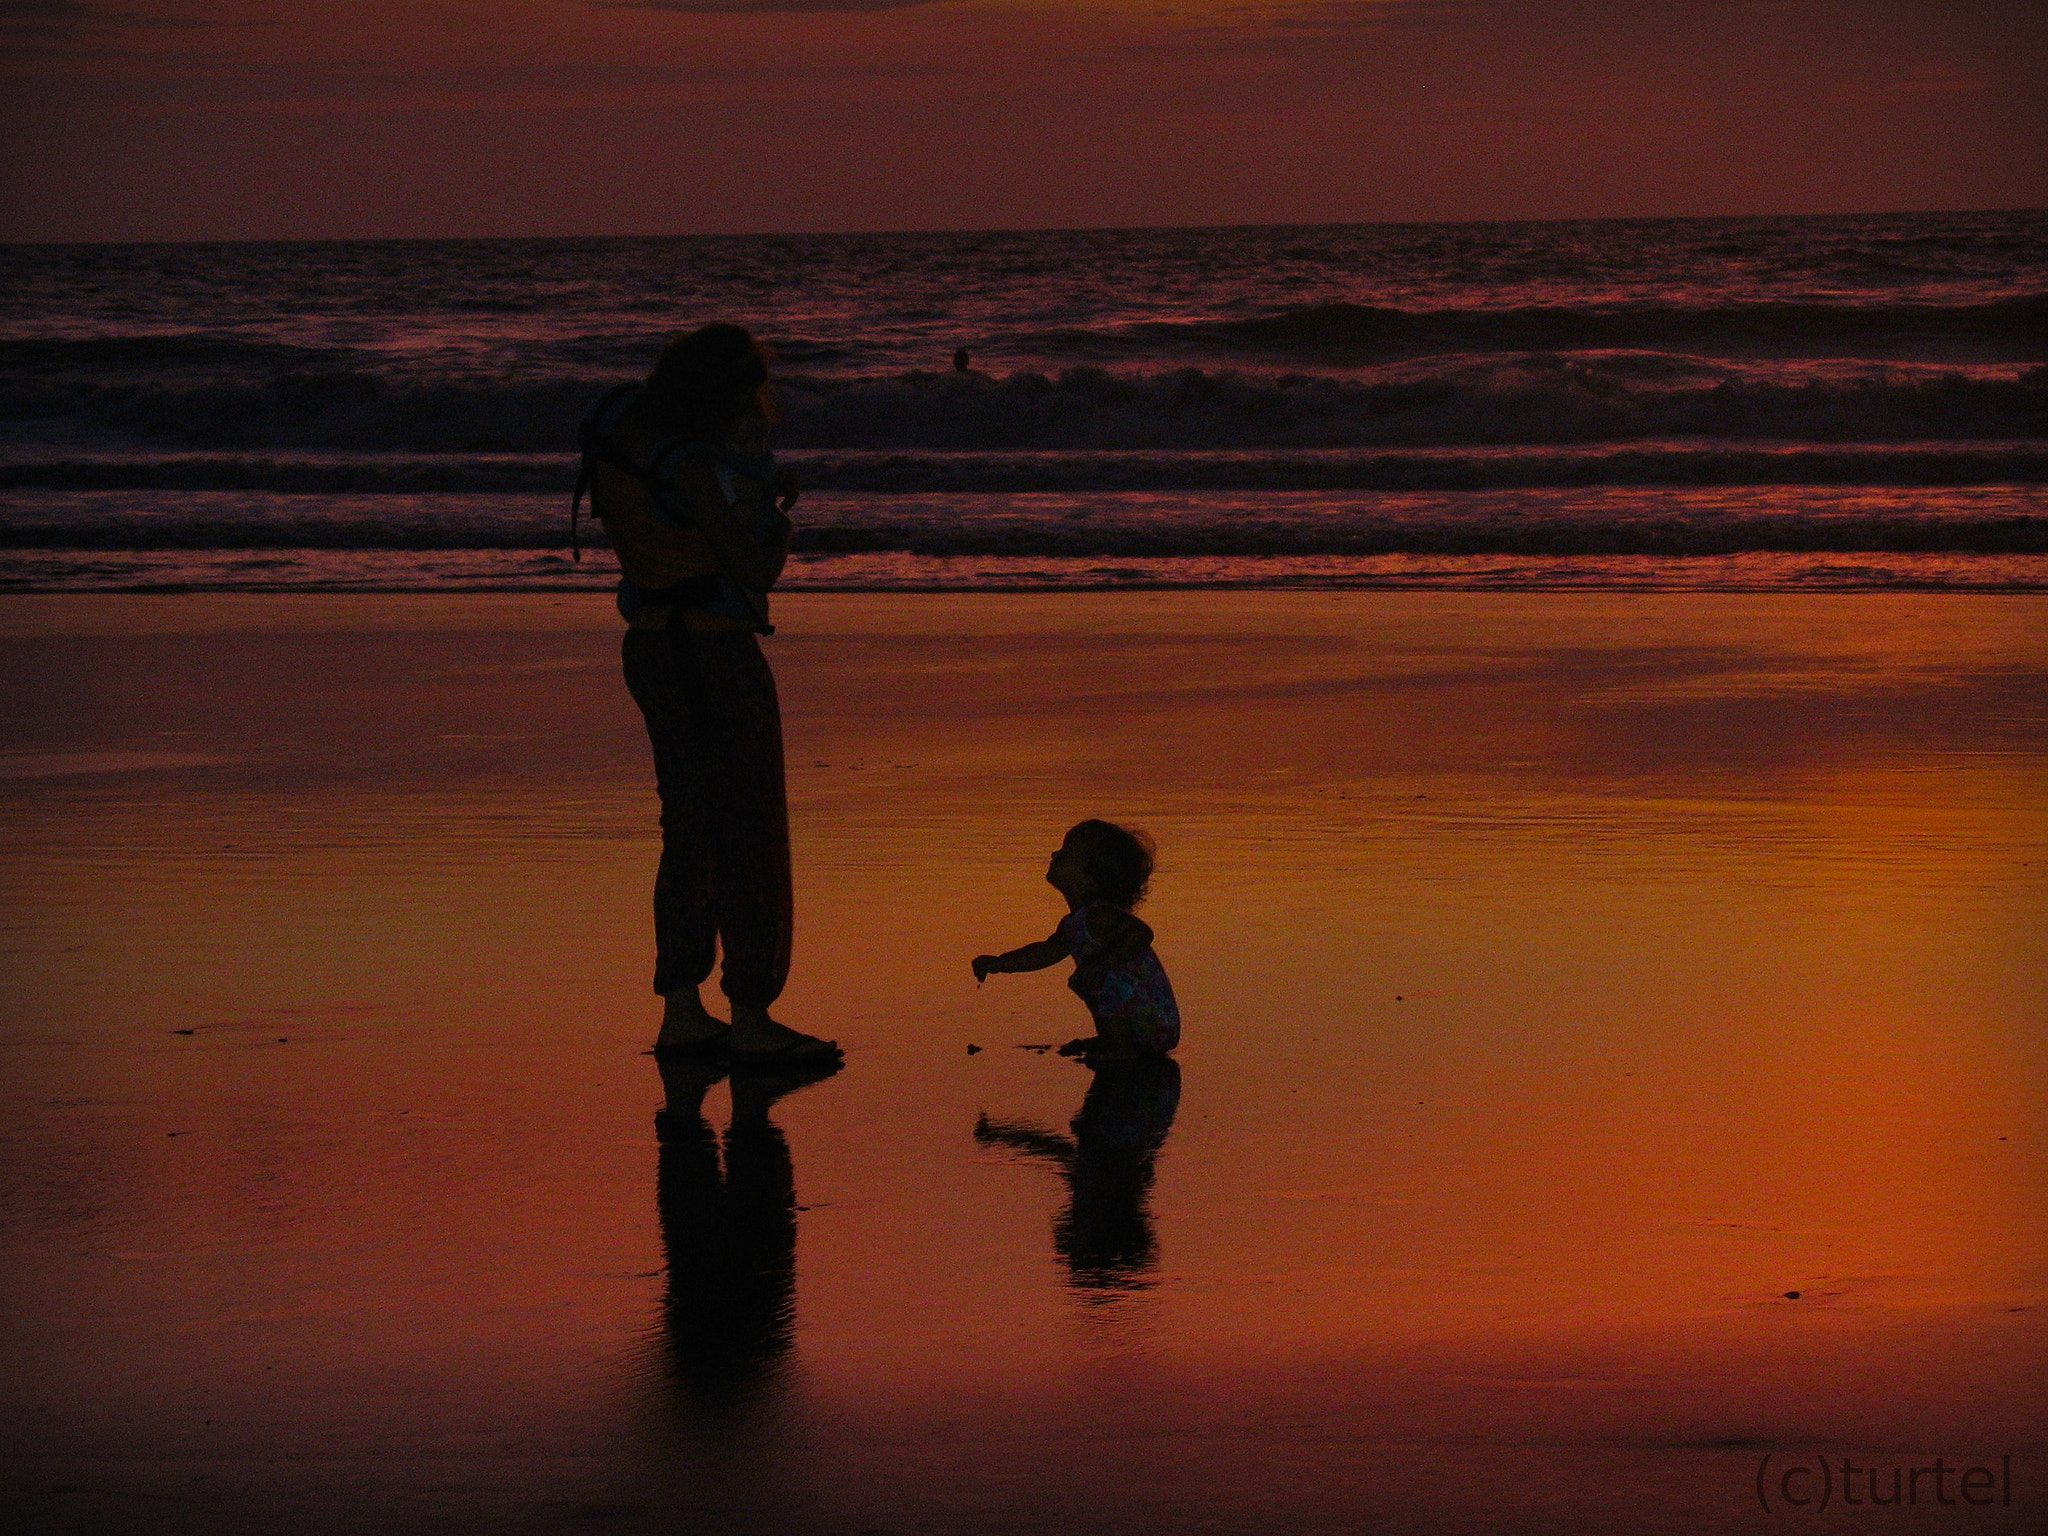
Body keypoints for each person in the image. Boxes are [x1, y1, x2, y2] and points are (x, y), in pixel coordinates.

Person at [587, 323, 840, 1068]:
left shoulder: (626, 430)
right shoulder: (697, 468)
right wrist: (781, 518)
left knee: (689, 828)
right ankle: (755, 1012)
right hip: (713, 653)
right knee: (753, 833)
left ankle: (683, 1009)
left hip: (652, 646)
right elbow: (754, 569)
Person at [971, 820, 1180, 1060]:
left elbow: (1141, 933)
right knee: (1089, 978)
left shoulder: (1100, 915)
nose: (1055, 853)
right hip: (1145, 1025)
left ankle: (1122, 1045)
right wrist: (998, 964)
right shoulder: (1075, 924)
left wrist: (1100, 963)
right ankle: (1113, 1038)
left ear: (1089, 878)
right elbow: (1044, 953)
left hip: (1151, 1019)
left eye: (1067, 850)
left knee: (1092, 977)